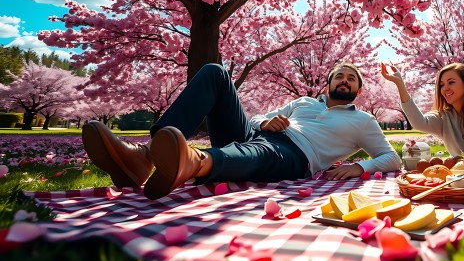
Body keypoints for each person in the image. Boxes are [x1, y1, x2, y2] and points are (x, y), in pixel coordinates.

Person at [82, 63, 401, 200]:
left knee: (261, 152)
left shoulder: (364, 121)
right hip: (256, 134)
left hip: (293, 155)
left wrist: (360, 166)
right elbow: (258, 118)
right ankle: (145, 158)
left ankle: (193, 162)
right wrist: (265, 122)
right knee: (215, 73)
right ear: (328, 83)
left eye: (351, 79)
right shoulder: (303, 102)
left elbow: (391, 158)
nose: (344, 81)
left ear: (359, 90)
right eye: (339, 76)